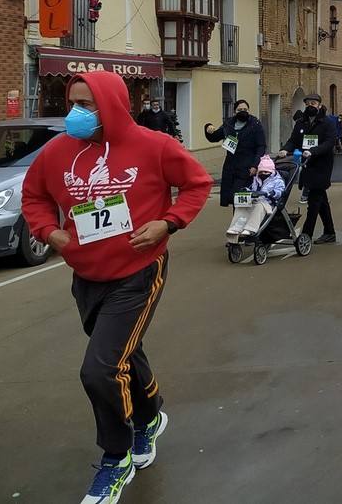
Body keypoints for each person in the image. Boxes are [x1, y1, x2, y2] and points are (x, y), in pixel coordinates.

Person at [21, 71, 211, 504]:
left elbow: (197, 184)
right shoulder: (55, 152)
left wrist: (167, 221)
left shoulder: (155, 146)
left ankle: (115, 456)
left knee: (100, 368)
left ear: (112, 104)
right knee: (123, 353)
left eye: (87, 105)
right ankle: (149, 414)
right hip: (86, 275)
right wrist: (51, 232)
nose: (77, 113)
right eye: (73, 103)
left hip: (138, 271)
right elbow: (33, 196)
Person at [280, 94, 338, 244]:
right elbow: (293, 140)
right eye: (307, 103)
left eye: (313, 103)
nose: (310, 106)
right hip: (306, 164)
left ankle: (306, 234)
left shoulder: (327, 123)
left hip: (322, 166)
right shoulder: (301, 123)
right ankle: (330, 232)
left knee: (314, 201)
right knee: (321, 199)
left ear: (319, 105)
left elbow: (330, 142)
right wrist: (285, 149)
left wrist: (314, 151)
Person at [204, 99, 266, 209]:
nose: (243, 111)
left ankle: (242, 222)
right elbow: (214, 137)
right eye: (240, 110)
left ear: (249, 111)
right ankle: (237, 223)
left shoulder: (255, 124)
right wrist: (208, 128)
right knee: (233, 198)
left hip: (247, 167)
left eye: (245, 109)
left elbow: (261, 146)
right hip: (230, 167)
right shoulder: (229, 124)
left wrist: (255, 165)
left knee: (240, 197)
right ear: (234, 112)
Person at [227, 156, 286, 241]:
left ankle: (250, 228)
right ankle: (236, 227)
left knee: (259, 206)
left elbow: (280, 191)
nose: (264, 174)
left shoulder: (277, 181)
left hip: (268, 204)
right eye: (262, 172)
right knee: (241, 206)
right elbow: (252, 189)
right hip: (255, 201)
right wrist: (246, 191)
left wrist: (269, 193)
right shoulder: (256, 180)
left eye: (266, 172)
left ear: (271, 172)